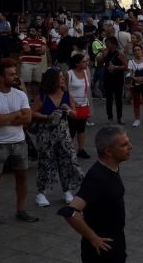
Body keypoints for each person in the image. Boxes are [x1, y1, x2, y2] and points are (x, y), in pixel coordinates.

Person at [58, 126, 132, 263]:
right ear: (108, 151)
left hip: (116, 243)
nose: (130, 147)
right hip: (101, 252)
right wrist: (92, 237)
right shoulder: (97, 178)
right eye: (124, 145)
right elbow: (70, 211)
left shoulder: (112, 168)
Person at [0, 64, 38, 230]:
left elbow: (27, 119)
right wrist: (15, 115)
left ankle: (21, 210)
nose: (15, 76)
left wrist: (3, 118)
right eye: (11, 74)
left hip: (19, 142)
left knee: (22, 177)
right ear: (0, 77)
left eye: (15, 73)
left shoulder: (20, 94)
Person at [30, 68, 84, 208]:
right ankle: (42, 193)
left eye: (63, 77)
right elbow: (32, 113)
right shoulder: (42, 96)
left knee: (68, 160)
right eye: (59, 77)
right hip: (45, 134)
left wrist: (69, 110)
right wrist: (47, 116)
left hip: (63, 134)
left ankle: (67, 190)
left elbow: (75, 114)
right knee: (46, 162)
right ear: (51, 79)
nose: (63, 79)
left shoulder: (66, 95)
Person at [97, 37, 128, 124]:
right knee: (109, 99)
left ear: (114, 44)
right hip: (107, 78)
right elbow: (99, 65)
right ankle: (110, 117)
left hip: (117, 78)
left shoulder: (119, 54)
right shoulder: (105, 53)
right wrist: (102, 57)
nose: (106, 45)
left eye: (108, 44)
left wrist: (116, 67)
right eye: (106, 44)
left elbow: (126, 67)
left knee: (118, 99)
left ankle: (119, 117)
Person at [68, 54, 92, 158]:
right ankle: (67, 150)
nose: (86, 63)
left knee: (81, 129)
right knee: (71, 129)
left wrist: (87, 104)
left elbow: (86, 90)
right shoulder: (69, 74)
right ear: (76, 63)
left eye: (86, 61)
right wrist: (72, 103)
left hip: (83, 104)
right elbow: (65, 90)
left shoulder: (86, 73)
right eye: (83, 62)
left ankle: (81, 149)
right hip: (72, 105)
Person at [127, 44, 143, 128]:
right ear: (133, 52)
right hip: (135, 84)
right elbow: (130, 73)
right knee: (136, 102)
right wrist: (135, 79)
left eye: (138, 50)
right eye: (135, 50)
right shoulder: (131, 62)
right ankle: (137, 119)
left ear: (142, 51)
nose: (137, 52)